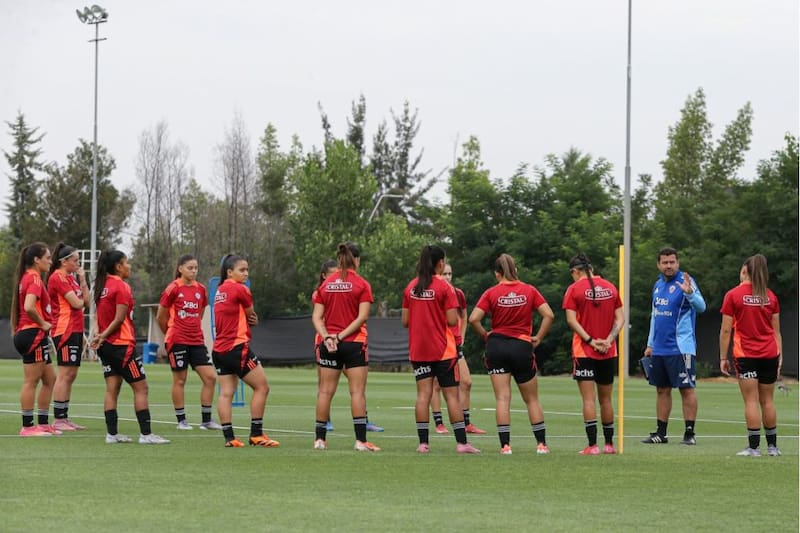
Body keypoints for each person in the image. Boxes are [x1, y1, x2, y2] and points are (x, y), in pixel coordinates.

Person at [469, 253, 554, 455]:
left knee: (502, 398)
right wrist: (538, 337)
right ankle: (541, 444)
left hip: (497, 347)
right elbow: (549, 314)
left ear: (497, 274)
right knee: (531, 399)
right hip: (521, 346)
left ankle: (505, 446)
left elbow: (473, 318)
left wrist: (485, 335)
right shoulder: (529, 290)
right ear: (515, 270)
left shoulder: (491, 293)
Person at [403, 244, 480, 454]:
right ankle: (462, 444)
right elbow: (452, 319)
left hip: (419, 350)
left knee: (423, 396)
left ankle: (423, 444)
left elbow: (405, 321)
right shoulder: (445, 288)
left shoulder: (411, 287)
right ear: (440, 263)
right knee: (452, 396)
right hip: (443, 350)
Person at [90, 250, 170, 444]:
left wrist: (99, 337)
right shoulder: (121, 286)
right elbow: (118, 319)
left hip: (107, 346)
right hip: (121, 345)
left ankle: (112, 434)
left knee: (112, 389)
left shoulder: (101, 285)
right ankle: (146, 434)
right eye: (127, 262)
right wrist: (103, 335)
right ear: (118, 266)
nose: (130, 266)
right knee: (141, 388)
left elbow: (99, 317)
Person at [312, 243, 380, 451]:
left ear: (339, 259)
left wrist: (327, 337)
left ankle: (320, 440)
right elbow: (362, 317)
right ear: (356, 260)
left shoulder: (327, 284)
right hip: (353, 343)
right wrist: (340, 337)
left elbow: (316, 317)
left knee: (325, 391)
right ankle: (360, 441)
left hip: (329, 344)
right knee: (357, 392)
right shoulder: (362, 284)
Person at [212, 254, 279, 448]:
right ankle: (256, 434)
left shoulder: (219, 291)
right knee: (262, 387)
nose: (246, 273)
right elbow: (252, 316)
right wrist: (254, 321)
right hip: (237, 347)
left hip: (219, 350)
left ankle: (229, 438)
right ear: (229, 272)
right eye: (242, 270)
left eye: (247, 270)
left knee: (226, 393)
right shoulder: (241, 289)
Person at [719, 254, 783, 457]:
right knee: (768, 401)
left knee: (751, 401)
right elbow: (776, 331)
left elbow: (726, 331)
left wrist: (722, 357)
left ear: (744, 270)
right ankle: (773, 447)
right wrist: (779, 355)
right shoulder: (771, 296)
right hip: (770, 353)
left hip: (746, 354)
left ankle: (754, 448)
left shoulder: (733, 295)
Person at [641, 247, 705, 445]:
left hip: (681, 348)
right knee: (662, 390)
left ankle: (689, 433)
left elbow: (702, 307)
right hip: (659, 348)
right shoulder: (658, 285)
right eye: (665, 262)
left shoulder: (686, 281)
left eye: (672, 262)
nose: (669, 266)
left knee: (686, 389)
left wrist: (690, 294)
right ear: (658, 264)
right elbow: (655, 316)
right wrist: (650, 343)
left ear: (677, 263)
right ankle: (661, 433)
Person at [562, 253, 624, 455]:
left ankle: (592, 445)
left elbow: (571, 320)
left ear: (575, 271)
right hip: (608, 351)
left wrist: (590, 340)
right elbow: (620, 319)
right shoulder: (610, 287)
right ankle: (609, 445)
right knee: (606, 399)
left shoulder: (574, 289)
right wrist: (609, 340)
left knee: (588, 400)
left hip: (584, 351)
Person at [157, 254, 222, 431]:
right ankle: (181, 420)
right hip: (177, 340)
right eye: (190, 268)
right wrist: (170, 333)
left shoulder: (200, 289)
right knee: (180, 379)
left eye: (196, 268)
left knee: (210, 377)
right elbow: (160, 316)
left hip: (196, 340)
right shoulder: (172, 289)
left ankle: (206, 421)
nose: (194, 271)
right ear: (180, 269)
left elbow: (199, 313)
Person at [11, 242, 61, 436]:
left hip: (32, 334)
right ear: (36, 260)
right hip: (32, 334)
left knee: (50, 379)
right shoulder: (34, 279)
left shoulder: (29, 277)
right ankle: (28, 426)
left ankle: (42, 423)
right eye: (47, 258)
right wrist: (43, 324)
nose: (50, 261)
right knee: (31, 381)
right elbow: (30, 306)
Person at [430, 262, 486, 435]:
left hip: (455, 344)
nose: (447, 277)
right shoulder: (435, 292)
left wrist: (461, 337)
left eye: (450, 274)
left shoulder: (458, 293)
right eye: (444, 273)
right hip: (439, 344)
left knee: (466, 382)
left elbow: (463, 314)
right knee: (436, 384)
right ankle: (439, 423)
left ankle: (466, 422)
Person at [48, 243, 90, 431]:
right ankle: (58, 419)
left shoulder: (72, 279)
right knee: (64, 374)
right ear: (64, 262)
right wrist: (80, 302)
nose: (78, 264)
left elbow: (86, 302)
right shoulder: (58, 277)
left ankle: (64, 417)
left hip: (76, 329)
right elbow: (76, 303)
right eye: (75, 261)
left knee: (71, 374)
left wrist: (82, 280)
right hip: (64, 330)